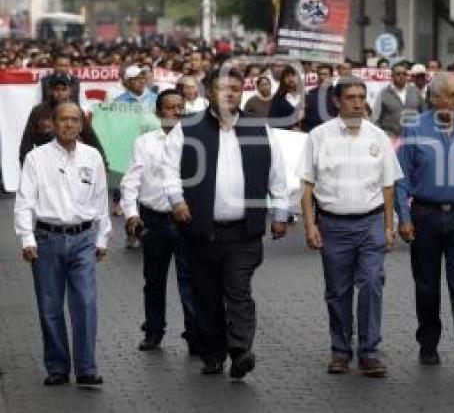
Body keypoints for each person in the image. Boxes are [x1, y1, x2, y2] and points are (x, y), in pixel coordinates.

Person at [163, 68, 291, 379]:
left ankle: (240, 349)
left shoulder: (260, 129)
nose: (230, 93)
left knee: (238, 291)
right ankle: (213, 352)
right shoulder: (188, 129)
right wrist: (176, 200)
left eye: (235, 88)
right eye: (223, 88)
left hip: (243, 231)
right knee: (206, 294)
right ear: (209, 93)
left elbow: (278, 174)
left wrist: (281, 213)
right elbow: (168, 169)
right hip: (201, 229)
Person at [299, 77, 403, 378]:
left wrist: (388, 225)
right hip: (333, 225)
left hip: (371, 222)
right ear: (337, 101)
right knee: (337, 291)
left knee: (371, 283)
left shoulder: (378, 137)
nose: (357, 103)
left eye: (361, 97)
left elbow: (388, 186)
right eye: (351, 97)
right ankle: (340, 351)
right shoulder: (318, 137)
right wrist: (309, 225)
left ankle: (369, 351)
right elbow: (306, 184)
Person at [395, 72, 454, 368]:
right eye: (453, 95)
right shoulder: (414, 129)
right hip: (425, 216)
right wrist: (404, 216)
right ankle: (428, 344)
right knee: (427, 285)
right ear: (435, 98)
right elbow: (402, 177)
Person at [14, 101, 111, 386]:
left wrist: (103, 236)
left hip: (83, 239)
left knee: (85, 303)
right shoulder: (36, 158)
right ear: (53, 124)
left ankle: (86, 369)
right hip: (46, 240)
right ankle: (57, 367)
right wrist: (26, 238)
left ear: (82, 125)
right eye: (63, 120)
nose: (69, 124)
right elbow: (24, 201)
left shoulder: (92, 156)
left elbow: (100, 199)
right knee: (50, 307)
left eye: (75, 120)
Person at [120, 90, 197, 355]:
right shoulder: (144, 143)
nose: (176, 112)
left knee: (190, 280)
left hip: (187, 220)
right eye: (170, 107)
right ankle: (153, 331)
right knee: (154, 280)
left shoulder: (195, 141)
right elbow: (131, 180)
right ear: (158, 112)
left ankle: (195, 335)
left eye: (180, 107)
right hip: (155, 220)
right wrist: (131, 213)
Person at [20, 72, 104, 166]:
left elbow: (91, 138)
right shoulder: (38, 111)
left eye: (64, 89)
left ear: (70, 91)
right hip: (45, 162)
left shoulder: (75, 110)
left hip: (71, 162)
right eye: (56, 89)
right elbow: (26, 143)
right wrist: (25, 166)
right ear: (51, 90)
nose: (60, 93)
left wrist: (104, 163)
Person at [373, 62, 426, 136]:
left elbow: (424, 113)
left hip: (413, 137)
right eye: (398, 74)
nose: (401, 76)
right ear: (392, 76)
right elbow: (375, 119)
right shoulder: (383, 94)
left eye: (404, 74)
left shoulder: (415, 91)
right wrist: (383, 136)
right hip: (391, 138)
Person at [303, 64, 338, 132]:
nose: (322, 77)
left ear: (331, 76)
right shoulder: (311, 93)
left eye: (325, 74)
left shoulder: (338, 94)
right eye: (319, 74)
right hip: (310, 132)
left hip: (330, 133)